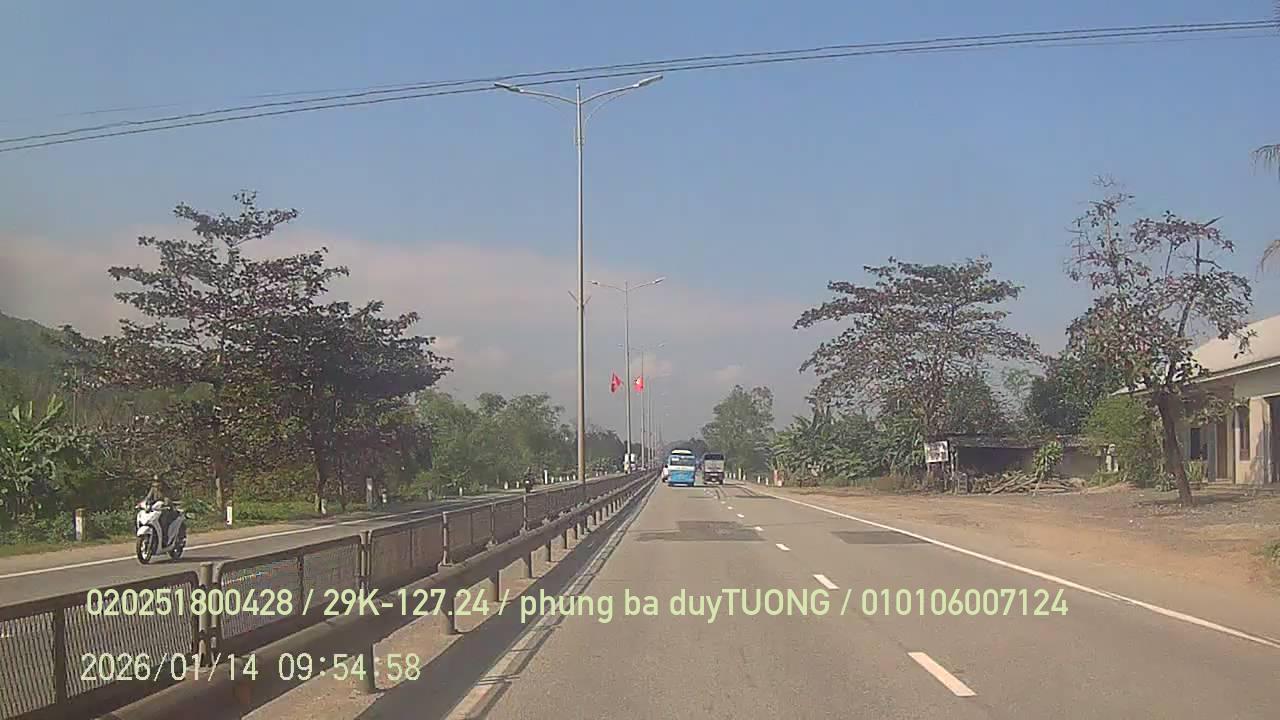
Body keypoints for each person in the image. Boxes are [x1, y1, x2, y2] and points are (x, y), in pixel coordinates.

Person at [141, 478, 179, 546]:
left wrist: (167, 503)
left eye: (158, 482)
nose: (156, 484)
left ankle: (165, 538)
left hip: (166, 510)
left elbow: (167, 499)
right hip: (156, 509)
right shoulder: (153, 489)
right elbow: (148, 497)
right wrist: (144, 503)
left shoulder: (166, 490)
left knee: (163, 522)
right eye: (155, 482)